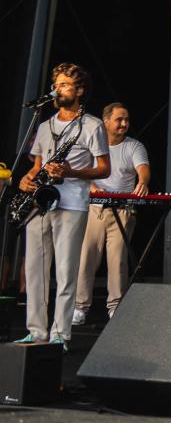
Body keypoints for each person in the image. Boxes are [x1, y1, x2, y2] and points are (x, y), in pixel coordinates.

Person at [15, 63, 110, 350]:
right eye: (56, 84)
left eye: (65, 84)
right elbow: (36, 166)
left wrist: (70, 172)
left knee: (66, 271)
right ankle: (37, 330)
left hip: (72, 203)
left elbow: (104, 169)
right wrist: (25, 180)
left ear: (79, 90)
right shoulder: (44, 126)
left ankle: (60, 333)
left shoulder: (93, 125)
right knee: (35, 269)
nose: (58, 89)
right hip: (41, 202)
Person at [73, 103, 149, 323]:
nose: (124, 123)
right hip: (95, 210)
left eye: (126, 119)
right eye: (119, 119)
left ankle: (115, 306)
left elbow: (143, 170)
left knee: (117, 261)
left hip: (122, 211)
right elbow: (78, 171)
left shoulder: (134, 146)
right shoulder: (93, 144)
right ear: (106, 122)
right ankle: (80, 307)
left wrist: (143, 181)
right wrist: (91, 186)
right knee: (87, 258)